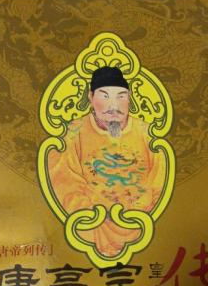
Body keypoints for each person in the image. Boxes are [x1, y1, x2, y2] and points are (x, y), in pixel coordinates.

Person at [48, 66, 165, 257]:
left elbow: (160, 183)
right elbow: (65, 185)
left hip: (141, 223)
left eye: (121, 96)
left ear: (129, 98)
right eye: (104, 96)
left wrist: (137, 214)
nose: (114, 106)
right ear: (91, 97)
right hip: (92, 228)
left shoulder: (147, 134)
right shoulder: (73, 134)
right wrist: (98, 217)